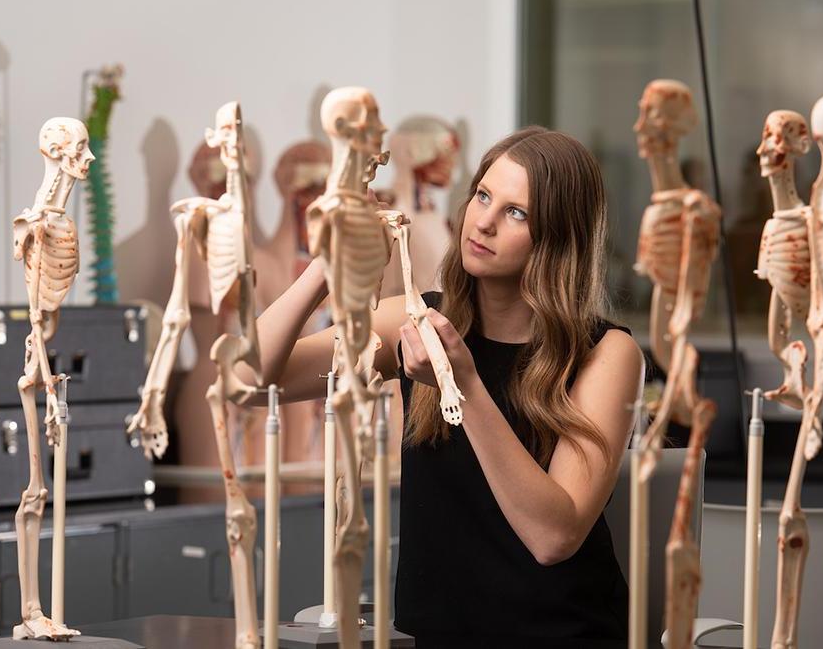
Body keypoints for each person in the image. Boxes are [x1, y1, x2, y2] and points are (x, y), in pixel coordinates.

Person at [240, 126, 644, 647]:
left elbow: (554, 537)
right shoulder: (415, 319)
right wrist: (325, 266)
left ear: (558, 238)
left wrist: (464, 385)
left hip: (560, 635)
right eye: (482, 196)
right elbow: (250, 380)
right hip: (427, 637)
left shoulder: (605, 354)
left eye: (516, 213)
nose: (484, 222)